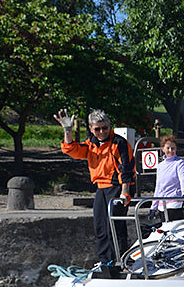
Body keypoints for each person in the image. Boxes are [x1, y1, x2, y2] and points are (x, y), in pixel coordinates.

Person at [55, 109, 135, 269]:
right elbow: (72, 150)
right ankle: (106, 261)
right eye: (97, 129)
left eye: (104, 128)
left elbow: (126, 168)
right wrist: (67, 131)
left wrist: (125, 191)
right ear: (91, 129)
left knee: (115, 225)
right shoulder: (91, 144)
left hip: (117, 187)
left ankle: (121, 260)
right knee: (100, 226)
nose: (101, 132)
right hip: (101, 188)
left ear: (109, 126)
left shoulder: (118, 143)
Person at [151, 135, 184, 222]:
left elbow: (183, 180)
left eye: (173, 148)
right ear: (163, 149)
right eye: (168, 148)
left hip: (175, 202)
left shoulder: (180, 163)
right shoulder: (160, 166)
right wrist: (153, 207)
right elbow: (158, 187)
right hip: (162, 204)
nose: (170, 151)